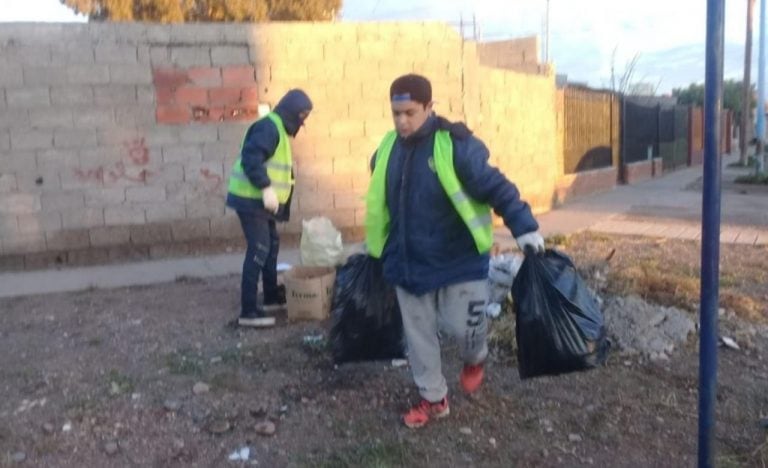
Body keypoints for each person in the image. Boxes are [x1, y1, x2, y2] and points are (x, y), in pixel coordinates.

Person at [365, 74, 545, 428]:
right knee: (419, 339)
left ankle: (475, 358)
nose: (402, 121)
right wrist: (377, 252)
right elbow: (381, 202)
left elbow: (496, 186)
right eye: (395, 113)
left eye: (410, 112)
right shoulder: (385, 150)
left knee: (467, 330)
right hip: (408, 265)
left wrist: (524, 227)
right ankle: (433, 399)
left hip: (458, 261)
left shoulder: (456, 145)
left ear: (429, 107)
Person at [226, 89, 313, 328]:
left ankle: (272, 295)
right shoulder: (269, 127)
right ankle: (248, 310)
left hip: (262, 204)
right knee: (259, 249)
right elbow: (251, 157)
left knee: (271, 246)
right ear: (291, 111)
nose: (302, 122)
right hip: (251, 199)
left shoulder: (278, 129)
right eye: (302, 115)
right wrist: (265, 188)